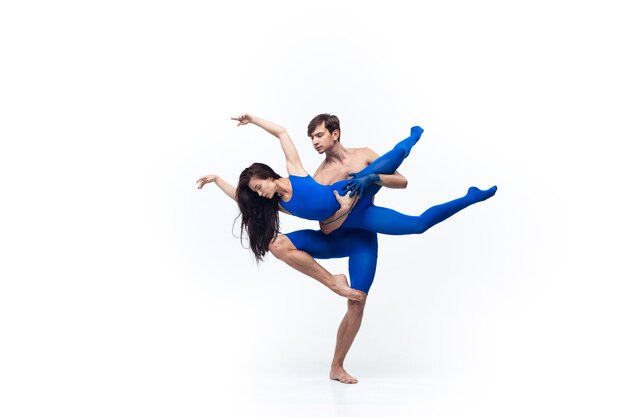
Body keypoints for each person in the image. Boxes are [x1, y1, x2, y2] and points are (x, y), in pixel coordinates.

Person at [197, 113, 497, 383]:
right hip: (336, 235)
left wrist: (253, 120)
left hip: (361, 222)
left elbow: (282, 133)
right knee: (277, 244)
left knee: (410, 225)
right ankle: (335, 311)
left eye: (258, 186)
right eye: (255, 192)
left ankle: (436, 162)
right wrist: (216, 180)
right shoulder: (285, 199)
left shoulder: (298, 173)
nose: (258, 194)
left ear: (268, 175)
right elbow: (244, 199)